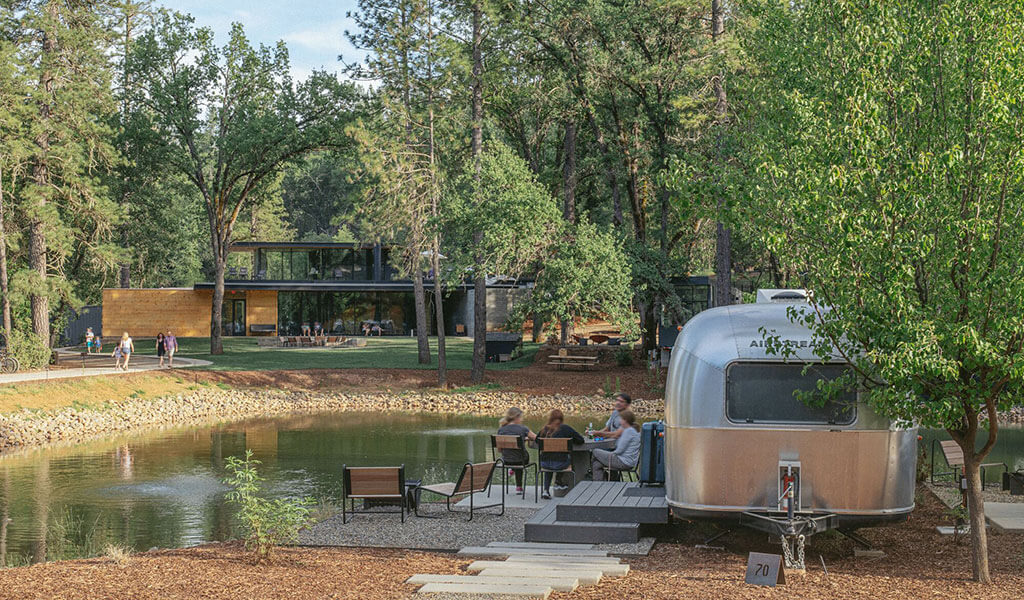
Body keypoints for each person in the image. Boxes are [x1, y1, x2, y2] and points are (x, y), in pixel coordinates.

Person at [535, 409, 585, 499]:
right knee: (566, 457)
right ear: (562, 418)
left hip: (544, 464)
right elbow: (581, 440)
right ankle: (559, 482)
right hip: (560, 464)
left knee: (549, 458)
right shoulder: (566, 428)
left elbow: (536, 440)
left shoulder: (545, 429)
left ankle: (546, 490)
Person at [592, 409, 641, 481]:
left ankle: (604, 481)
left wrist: (610, 454)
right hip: (630, 461)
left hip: (623, 462)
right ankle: (600, 484)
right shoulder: (634, 430)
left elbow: (619, 450)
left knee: (595, 451)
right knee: (597, 464)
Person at [497, 407, 537, 493]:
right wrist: (526, 438)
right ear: (517, 417)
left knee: (514, 456)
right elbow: (536, 438)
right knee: (520, 458)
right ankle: (519, 487)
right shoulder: (523, 429)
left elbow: (499, 450)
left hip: (506, 461)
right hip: (521, 460)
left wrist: (522, 439)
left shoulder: (501, 430)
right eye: (521, 417)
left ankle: (512, 470)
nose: (522, 420)